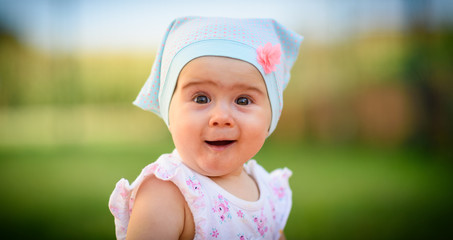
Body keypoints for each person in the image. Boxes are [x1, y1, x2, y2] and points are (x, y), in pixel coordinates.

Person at [109, 16, 302, 240]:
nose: (221, 118)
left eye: (243, 100)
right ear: (168, 109)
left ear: (273, 114)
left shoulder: (269, 191)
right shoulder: (168, 193)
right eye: (201, 99)